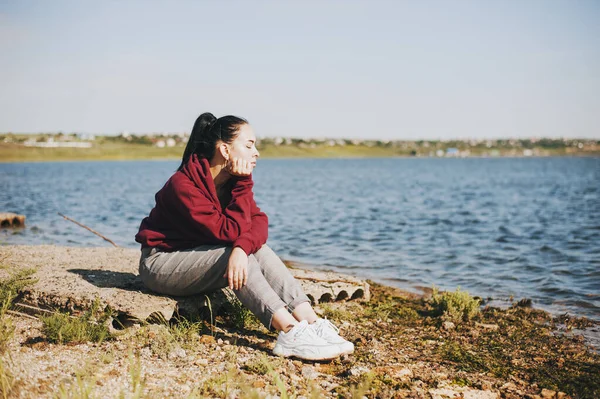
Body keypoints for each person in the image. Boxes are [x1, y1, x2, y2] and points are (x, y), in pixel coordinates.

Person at [135, 112, 353, 361]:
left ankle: (310, 321)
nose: (256, 152)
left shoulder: (229, 182)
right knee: (238, 253)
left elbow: (258, 221)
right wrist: (244, 186)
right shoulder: (183, 185)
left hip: (198, 254)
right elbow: (226, 232)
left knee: (253, 249)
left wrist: (241, 247)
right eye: (249, 145)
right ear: (225, 150)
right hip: (161, 264)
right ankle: (289, 332)